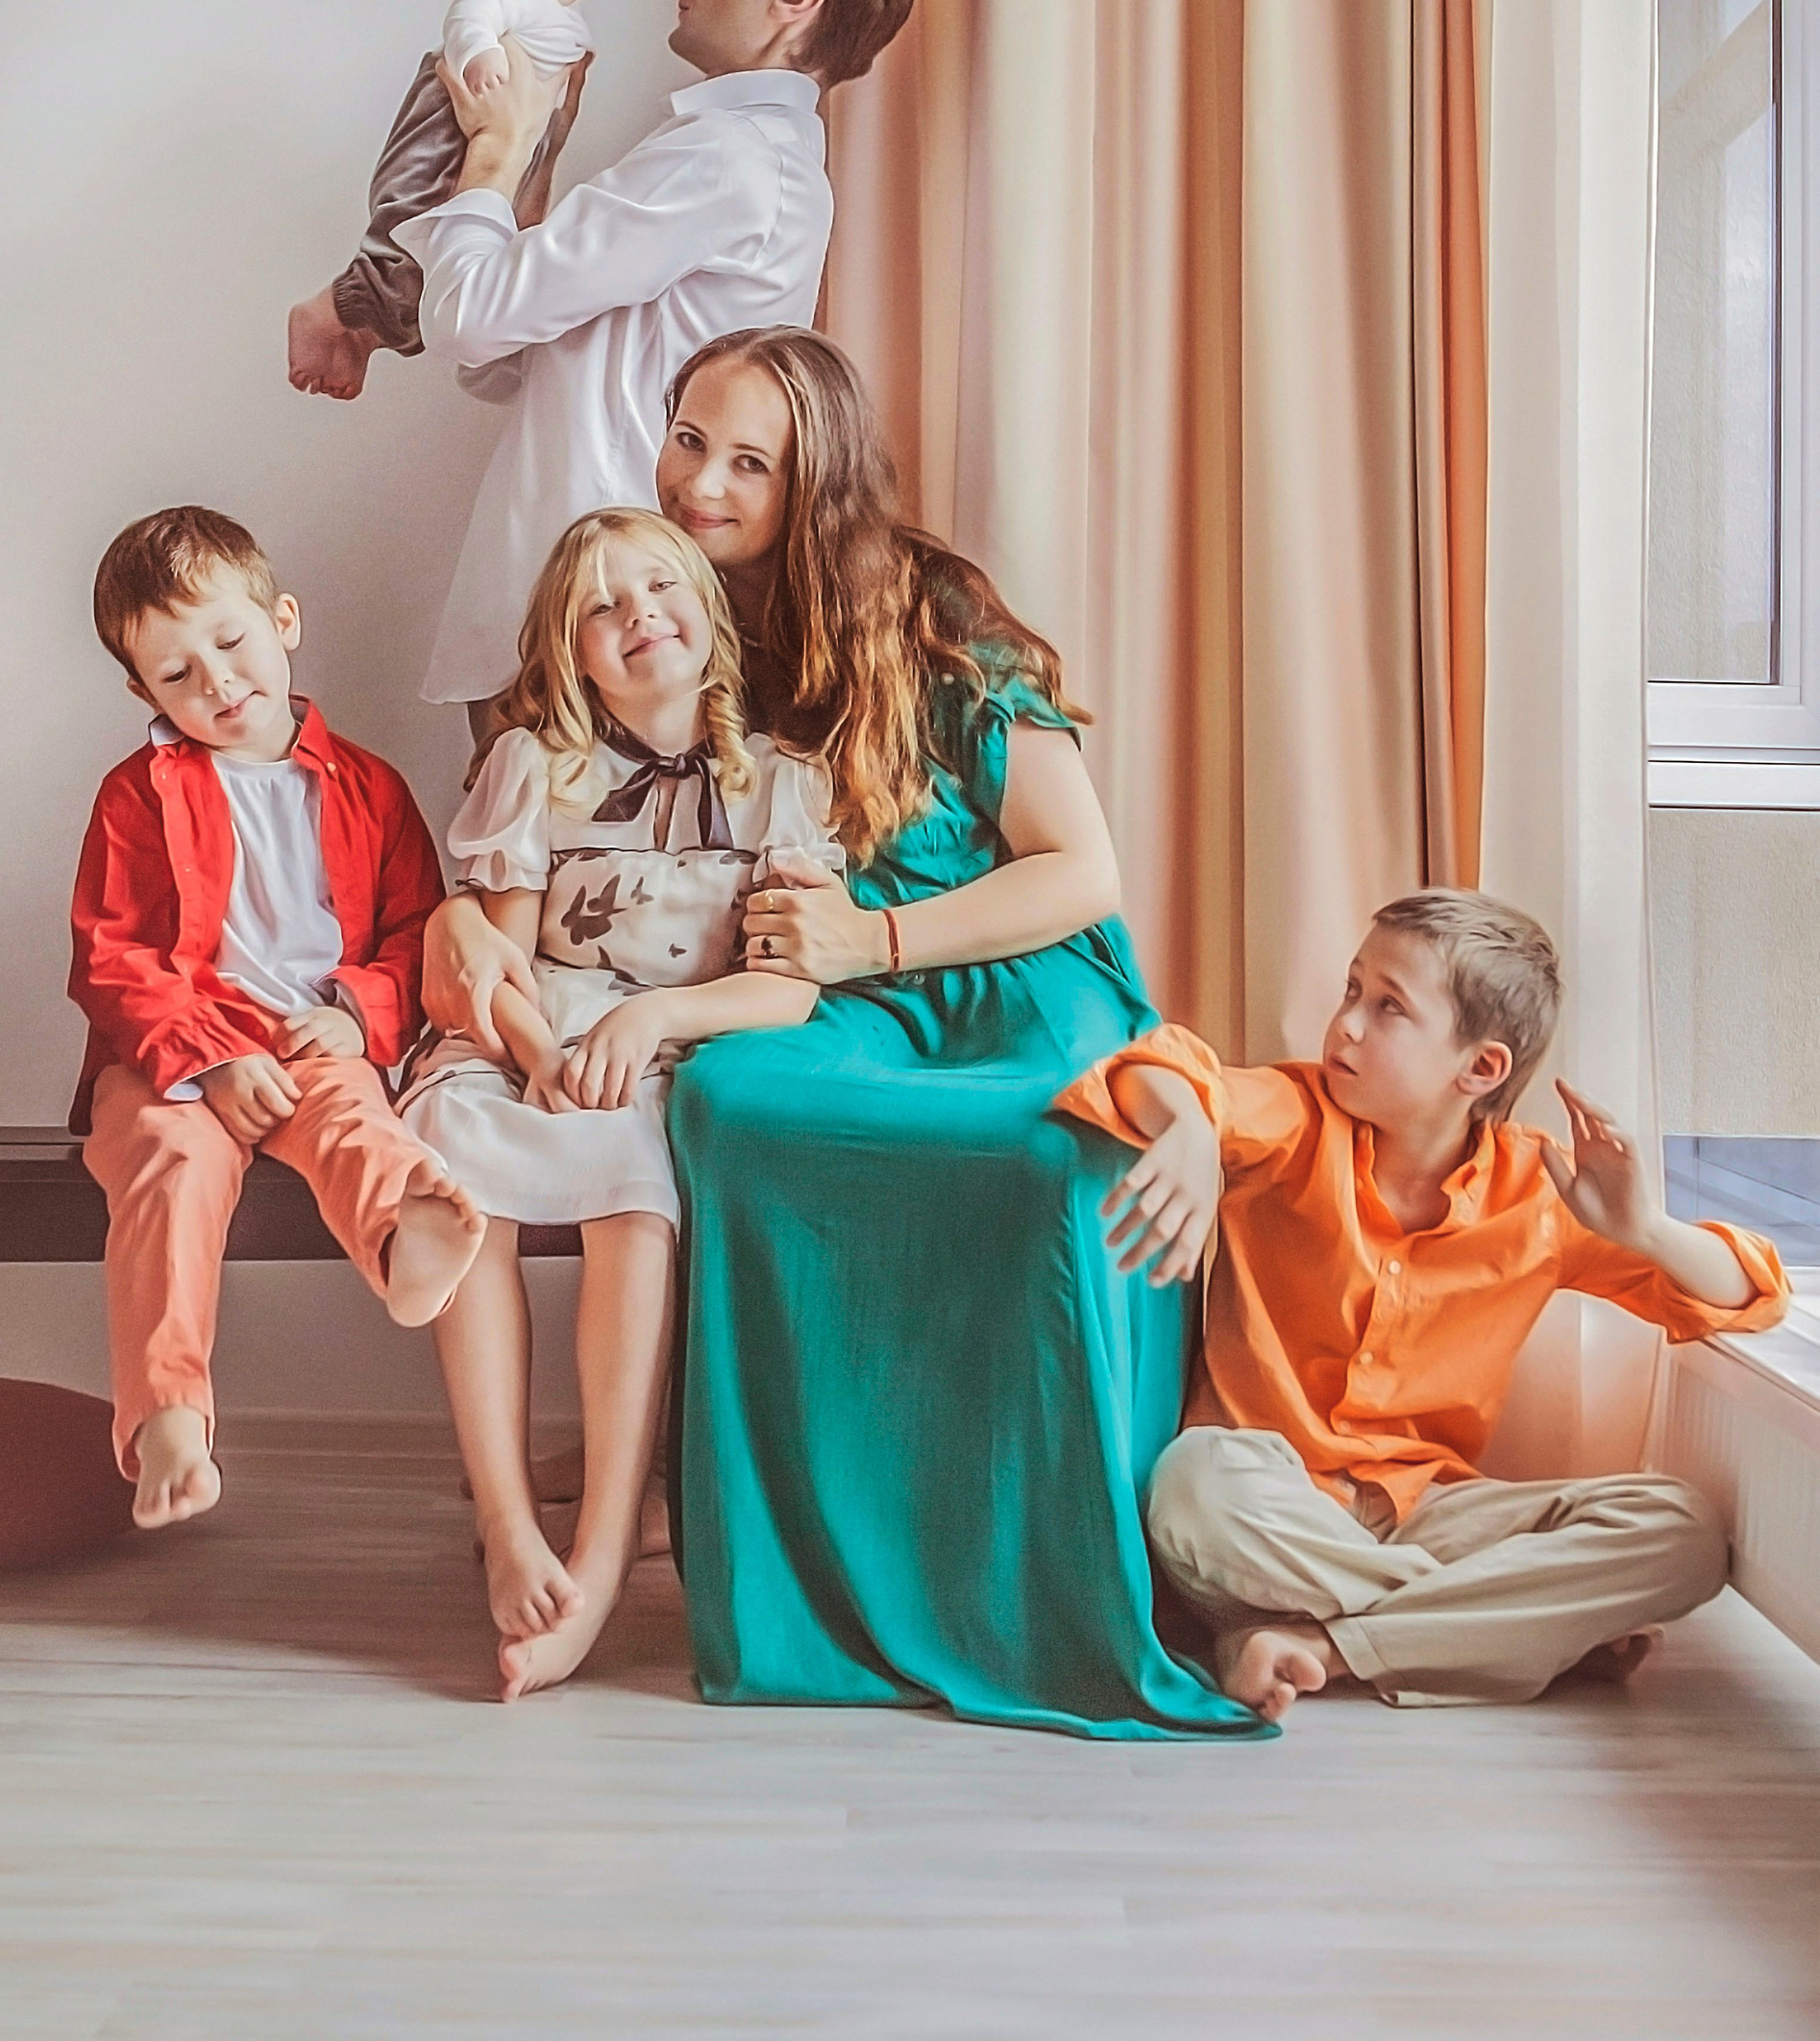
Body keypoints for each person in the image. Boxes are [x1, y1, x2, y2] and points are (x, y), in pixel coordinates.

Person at [424, 328, 1262, 1740]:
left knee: (1046, 1159)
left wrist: (874, 938)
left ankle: (1010, 1565)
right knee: (731, 1106)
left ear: (813, 480)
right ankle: (755, 1544)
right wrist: (463, 930)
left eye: (749, 462)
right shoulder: (658, 605)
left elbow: (1080, 870)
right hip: (817, 997)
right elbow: (546, 822)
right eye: (689, 438)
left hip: (1001, 970)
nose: (701, 481)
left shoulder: (930, 612)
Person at [1059, 888, 1789, 1718]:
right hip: (1269, 1496)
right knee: (1192, 1482)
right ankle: (1506, 1628)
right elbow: (1150, 1070)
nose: (1347, 1023)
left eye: (1389, 1007)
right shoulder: (1297, 1118)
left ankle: (1319, 1643)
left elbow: (1751, 1292)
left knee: (1681, 1531)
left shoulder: (1542, 1194)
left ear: (1479, 1069)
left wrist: (1645, 1229)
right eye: (1352, 989)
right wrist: (1189, 1128)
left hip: (1428, 1509)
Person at [290, 0, 917, 723]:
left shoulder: (727, 160)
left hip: (595, 615)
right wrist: (528, 165)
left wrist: (497, 150)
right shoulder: (744, 160)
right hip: (594, 607)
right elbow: (511, 357)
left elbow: (472, 321)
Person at [401, 507, 845, 1700]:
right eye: (603, 606)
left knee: (636, 1201)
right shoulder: (533, 766)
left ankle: (600, 1551)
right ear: (573, 656)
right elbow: (499, 959)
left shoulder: (783, 783)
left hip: (654, 1053)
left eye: (658, 587)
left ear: (709, 610)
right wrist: (540, 1052)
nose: (637, 613)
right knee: (457, 1182)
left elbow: (790, 987)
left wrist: (651, 1022)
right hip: (529, 1039)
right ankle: (506, 1520)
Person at [69, 507, 485, 1532]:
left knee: (353, 1121)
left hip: (313, 1034)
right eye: (177, 673)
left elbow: (416, 930)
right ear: (144, 692)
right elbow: (112, 956)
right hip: (174, 1054)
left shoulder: (371, 787)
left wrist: (359, 1014)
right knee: (168, 1163)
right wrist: (206, 1058)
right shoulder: (135, 795)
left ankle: (405, 1238)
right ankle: (169, 1417)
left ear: (282, 620)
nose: (216, 681)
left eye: (230, 641)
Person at [287, 0, 606, 401]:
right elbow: (470, 13)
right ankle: (328, 310)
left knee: (451, 272)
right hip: (450, 122)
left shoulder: (562, 16)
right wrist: (480, 51)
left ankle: (366, 336)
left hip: (507, 137)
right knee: (414, 228)